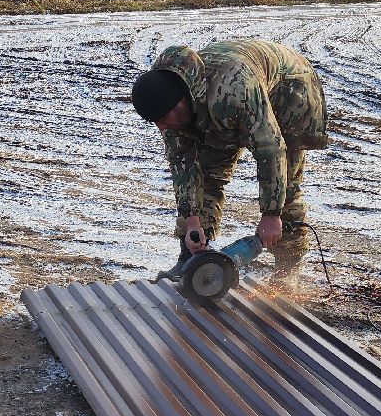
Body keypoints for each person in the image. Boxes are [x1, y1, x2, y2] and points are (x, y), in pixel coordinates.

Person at [130, 39, 328, 270]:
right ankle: (191, 260)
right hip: (224, 100)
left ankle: (288, 268)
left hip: (290, 89)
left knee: (287, 186)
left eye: (163, 119)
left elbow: (270, 149)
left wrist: (271, 214)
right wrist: (192, 221)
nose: (162, 128)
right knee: (206, 176)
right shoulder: (171, 107)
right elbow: (182, 166)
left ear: (182, 102)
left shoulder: (234, 93)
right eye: (155, 122)